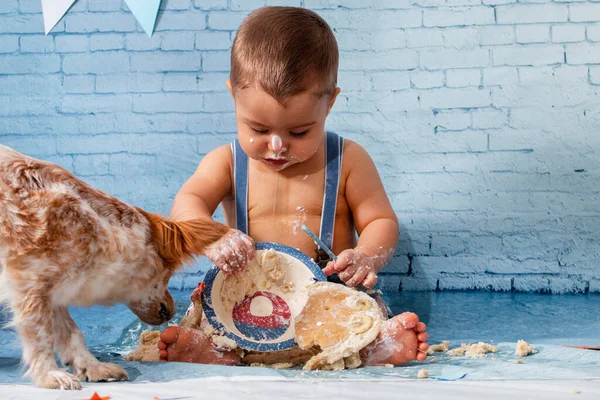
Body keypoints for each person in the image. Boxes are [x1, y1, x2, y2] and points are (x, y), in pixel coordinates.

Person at [157, 6, 428, 367]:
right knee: (212, 316)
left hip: (326, 304)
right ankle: (217, 351)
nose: (277, 145)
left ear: (329, 103)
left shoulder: (347, 160)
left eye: (299, 132)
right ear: (234, 96)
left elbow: (381, 220)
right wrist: (213, 236)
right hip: (244, 307)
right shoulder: (225, 162)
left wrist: (365, 255)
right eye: (258, 129)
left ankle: (370, 345)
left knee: (355, 319)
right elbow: (187, 203)